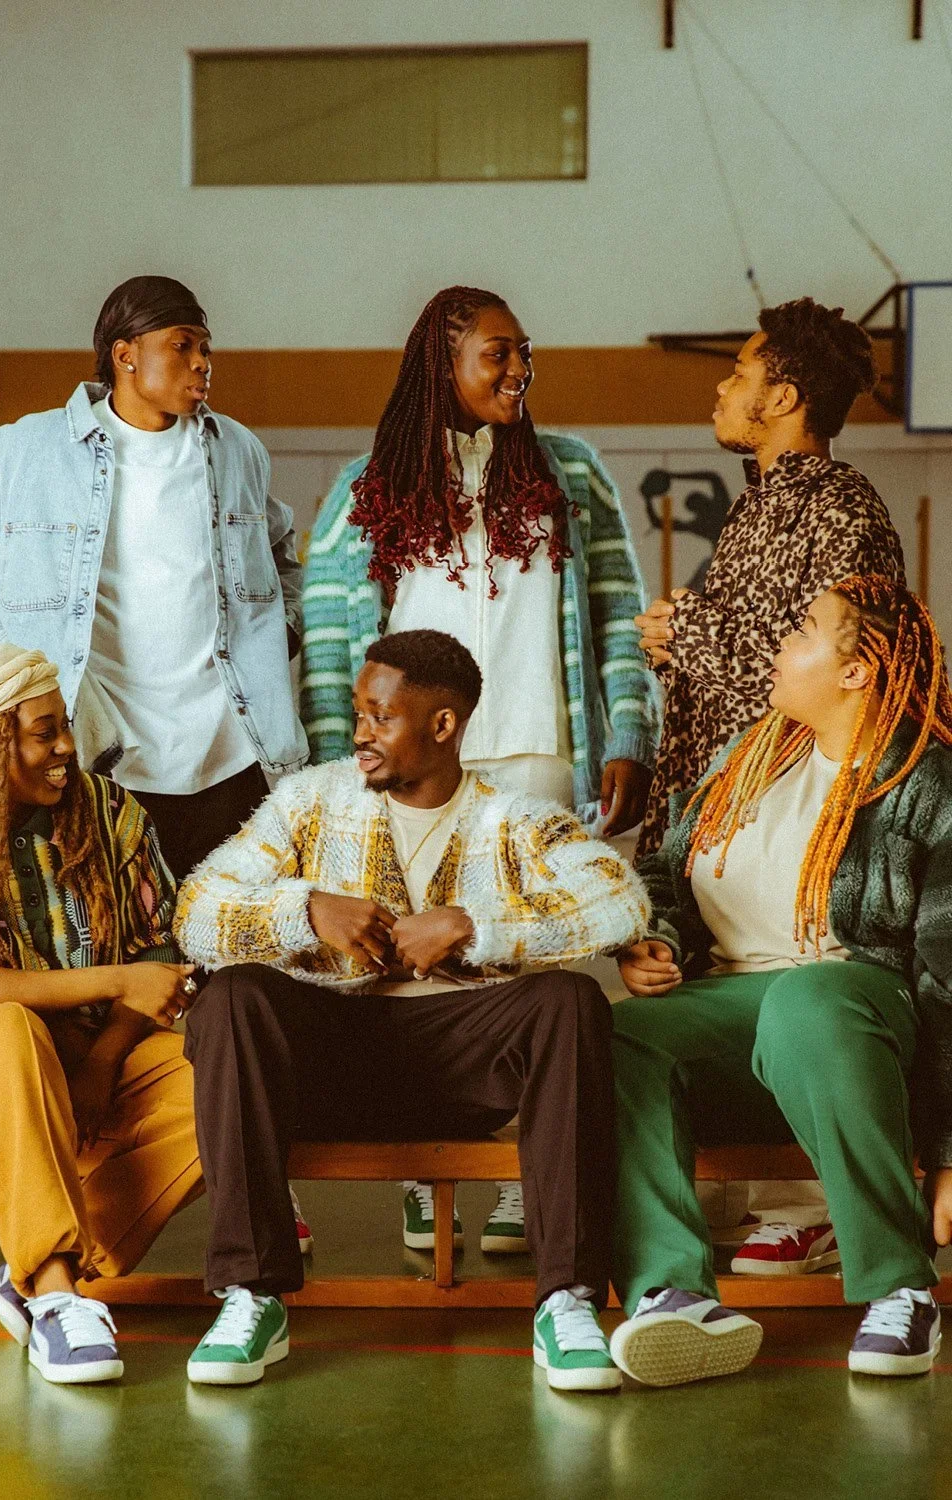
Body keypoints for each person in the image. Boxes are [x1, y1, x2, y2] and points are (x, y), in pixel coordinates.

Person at [176, 629, 650, 1391]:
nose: (360, 733)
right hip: (330, 1056)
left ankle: (567, 1298)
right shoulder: (309, 802)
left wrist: (472, 926)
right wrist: (308, 910)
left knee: (570, 1001)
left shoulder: (513, 819)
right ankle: (250, 1295)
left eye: (381, 716)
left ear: (443, 724)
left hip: (461, 1060)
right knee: (231, 998)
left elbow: (618, 896)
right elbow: (197, 908)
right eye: (358, 713)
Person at [301, 285, 660, 1249]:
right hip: (416, 772)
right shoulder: (366, 486)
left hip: (541, 757)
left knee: (529, 968)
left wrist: (629, 731)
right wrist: (354, 761)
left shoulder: (570, 471)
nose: (517, 370)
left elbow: (623, 610)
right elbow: (335, 640)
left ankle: (517, 1176)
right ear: (442, 363)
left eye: (523, 352)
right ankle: (427, 1166)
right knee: (418, 968)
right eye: (495, 354)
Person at [608, 576, 952, 1386]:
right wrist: (652, 939)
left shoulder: (925, 784)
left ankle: (899, 1288)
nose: (778, 648)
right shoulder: (751, 756)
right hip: (732, 1012)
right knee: (613, 1031)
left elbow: (948, 983)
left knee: (807, 999)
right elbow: (663, 872)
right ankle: (672, 1292)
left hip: (861, 1013)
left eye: (802, 633)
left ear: (857, 670)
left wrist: (948, 1150)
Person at [634, 297, 906, 1259]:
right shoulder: (763, 505)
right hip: (724, 810)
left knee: (800, 986)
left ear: (782, 393)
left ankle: (814, 1211)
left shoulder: (842, 506)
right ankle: (714, 1207)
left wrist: (691, 633)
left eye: (739, 373)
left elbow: (829, 672)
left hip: (801, 817)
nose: (723, 385)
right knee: (694, 1001)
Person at [0, 275, 307, 883]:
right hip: (99, 753)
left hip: (233, 749)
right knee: (114, 948)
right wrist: (8, 665)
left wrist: (280, 633)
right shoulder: (26, 450)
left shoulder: (236, 448)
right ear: (125, 353)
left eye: (206, 350)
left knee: (231, 940)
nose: (202, 363)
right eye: (183, 346)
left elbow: (279, 552)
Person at [0, 643, 201, 1384]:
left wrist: (106, 1059)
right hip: (6, 1071)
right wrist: (108, 982)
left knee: (228, 1081)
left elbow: (161, 950)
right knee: (6, 1031)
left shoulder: (109, 812)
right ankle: (51, 1287)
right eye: (43, 733)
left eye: (66, 727)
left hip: (99, 1058)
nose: (65, 748)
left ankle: (39, 1270)